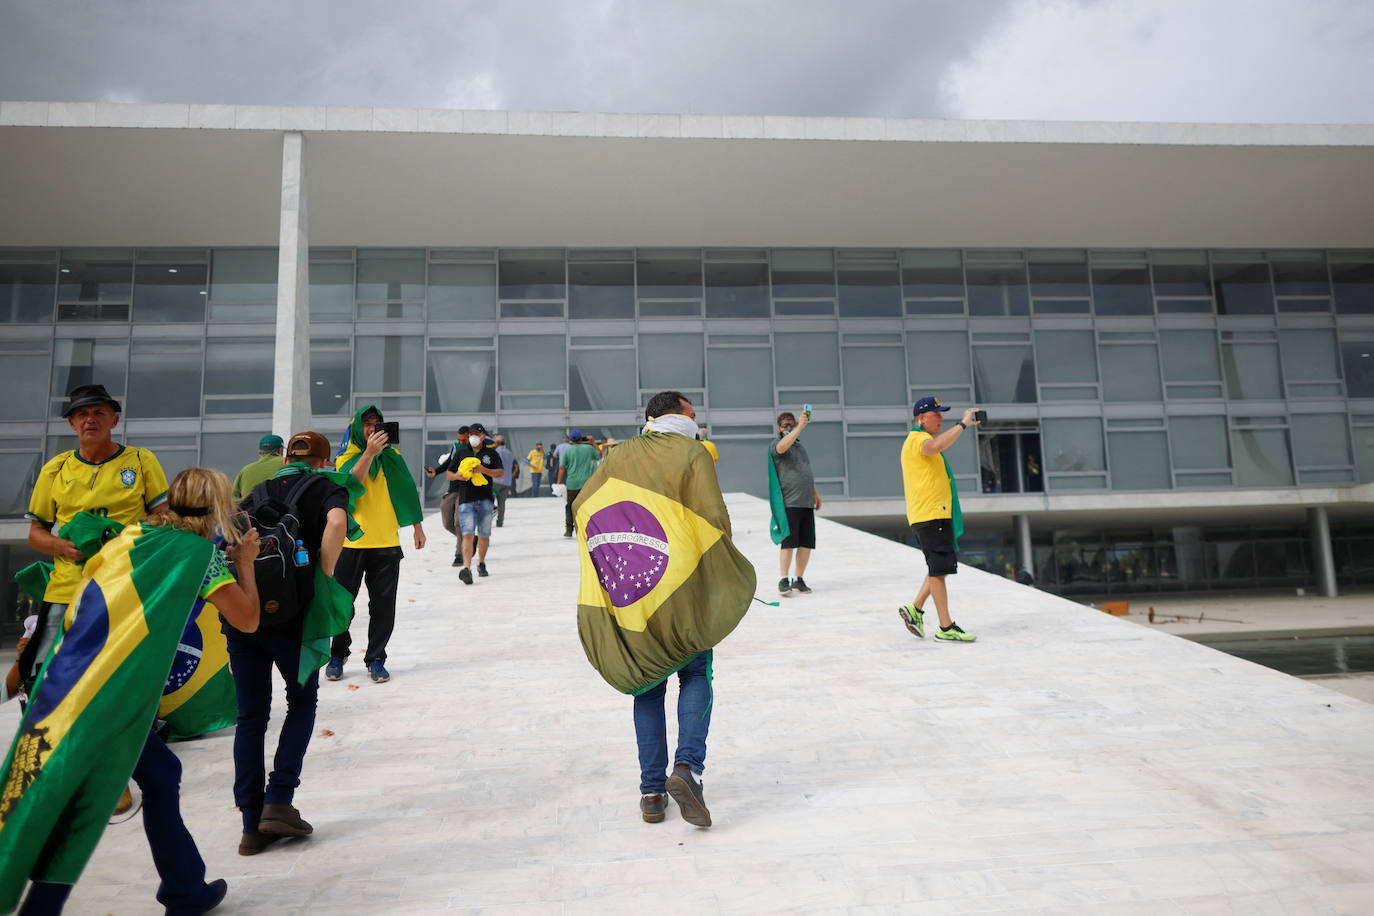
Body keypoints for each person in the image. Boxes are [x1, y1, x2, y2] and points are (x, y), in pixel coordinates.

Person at [0, 467, 261, 915]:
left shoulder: (132, 535)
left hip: (67, 681)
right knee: (81, 806)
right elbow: (248, 619)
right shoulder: (202, 558)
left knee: (157, 776)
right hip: (114, 695)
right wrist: (246, 563)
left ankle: (185, 889)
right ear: (216, 508)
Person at [573, 391, 755, 829]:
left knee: (648, 683)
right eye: (691, 412)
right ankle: (688, 769)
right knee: (694, 672)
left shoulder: (619, 455)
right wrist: (721, 566)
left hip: (636, 585)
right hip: (681, 580)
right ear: (674, 414)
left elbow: (582, 504)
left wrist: (614, 553)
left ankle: (652, 793)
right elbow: (714, 516)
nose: (696, 419)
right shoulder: (693, 452)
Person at [227, 431, 349, 857]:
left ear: (285, 459)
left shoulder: (257, 490)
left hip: (245, 613)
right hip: (294, 616)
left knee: (250, 717)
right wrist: (324, 574)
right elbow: (337, 523)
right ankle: (279, 799)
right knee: (300, 702)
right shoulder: (326, 486)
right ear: (323, 461)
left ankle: (251, 826)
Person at [20, 384, 171, 701]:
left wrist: (123, 538)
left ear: (114, 420)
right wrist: (63, 547)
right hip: (67, 586)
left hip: (125, 582)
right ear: (72, 423)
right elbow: (36, 533)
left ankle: (139, 727)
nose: (90, 419)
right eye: (82, 414)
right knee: (40, 669)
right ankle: (47, 727)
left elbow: (165, 519)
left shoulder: (141, 461)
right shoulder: (55, 469)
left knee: (130, 666)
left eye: (99, 412)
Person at [325, 406, 426, 684]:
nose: (372, 428)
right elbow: (350, 485)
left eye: (377, 423)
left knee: (383, 606)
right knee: (343, 604)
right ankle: (338, 653)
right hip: (351, 543)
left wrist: (417, 526)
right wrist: (368, 453)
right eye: (367, 424)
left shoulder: (392, 457)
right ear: (358, 429)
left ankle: (376, 658)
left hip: (386, 542)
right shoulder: (347, 457)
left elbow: (406, 489)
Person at [898, 396, 981, 643]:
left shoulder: (919, 439)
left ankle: (915, 608)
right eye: (937, 414)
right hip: (930, 515)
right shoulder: (918, 439)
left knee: (939, 568)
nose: (941, 419)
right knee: (938, 570)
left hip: (933, 514)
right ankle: (945, 627)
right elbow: (935, 447)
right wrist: (963, 424)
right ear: (922, 418)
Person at [434, 422, 502, 585]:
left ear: (483, 436)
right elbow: (449, 473)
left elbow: (500, 473)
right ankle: (467, 568)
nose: (473, 437)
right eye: (471, 435)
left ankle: (481, 563)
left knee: (484, 534)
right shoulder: (461, 453)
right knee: (467, 534)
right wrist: (457, 476)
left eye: (476, 435)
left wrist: (483, 470)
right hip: (466, 499)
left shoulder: (491, 454)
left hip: (485, 499)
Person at [768, 409, 821, 597]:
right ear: (778, 428)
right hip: (790, 503)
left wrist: (815, 494)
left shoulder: (800, 447)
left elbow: (807, 471)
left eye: (791, 423)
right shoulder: (777, 444)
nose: (789, 426)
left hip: (806, 502)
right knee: (788, 543)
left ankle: (799, 578)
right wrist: (799, 427)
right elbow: (782, 447)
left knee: (806, 543)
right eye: (785, 424)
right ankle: (784, 579)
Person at [427, 426, 469, 566]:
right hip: (453, 488)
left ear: (469, 437)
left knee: (458, 522)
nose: (461, 443)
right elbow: (449, 463)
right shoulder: (456, 447)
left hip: (466, 489)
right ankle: (469, 539)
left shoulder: (474, 450)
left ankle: (459, 555)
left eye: (464, 440)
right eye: (459, 440)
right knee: (447, 523)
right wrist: (436, 471)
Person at [555, 429, 599, 539]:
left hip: (572, 484)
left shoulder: (567, 450)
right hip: (586, 484)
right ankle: (587, 529)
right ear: (581, 438)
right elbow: (599, 455)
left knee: (570, 507)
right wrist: (593, 442)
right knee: (587, 507)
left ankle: (569, 530)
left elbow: (562, 468)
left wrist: (558, 482)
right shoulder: (589, 449)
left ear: (570, 439)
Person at [231, 434, 285, 502]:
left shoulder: (245, 470)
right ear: (281, 450)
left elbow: (234, 499)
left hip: (250, 508)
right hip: (280, 507)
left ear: (259, 452)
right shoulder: (287, 463)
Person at [491, 433, 516, 526]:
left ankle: (488, 520)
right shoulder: (510, 453)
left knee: (490, 501)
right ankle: (500, 522)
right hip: (507, 481)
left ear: (497, 443)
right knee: (502, 503)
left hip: (496, 481)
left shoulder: (495, 452)